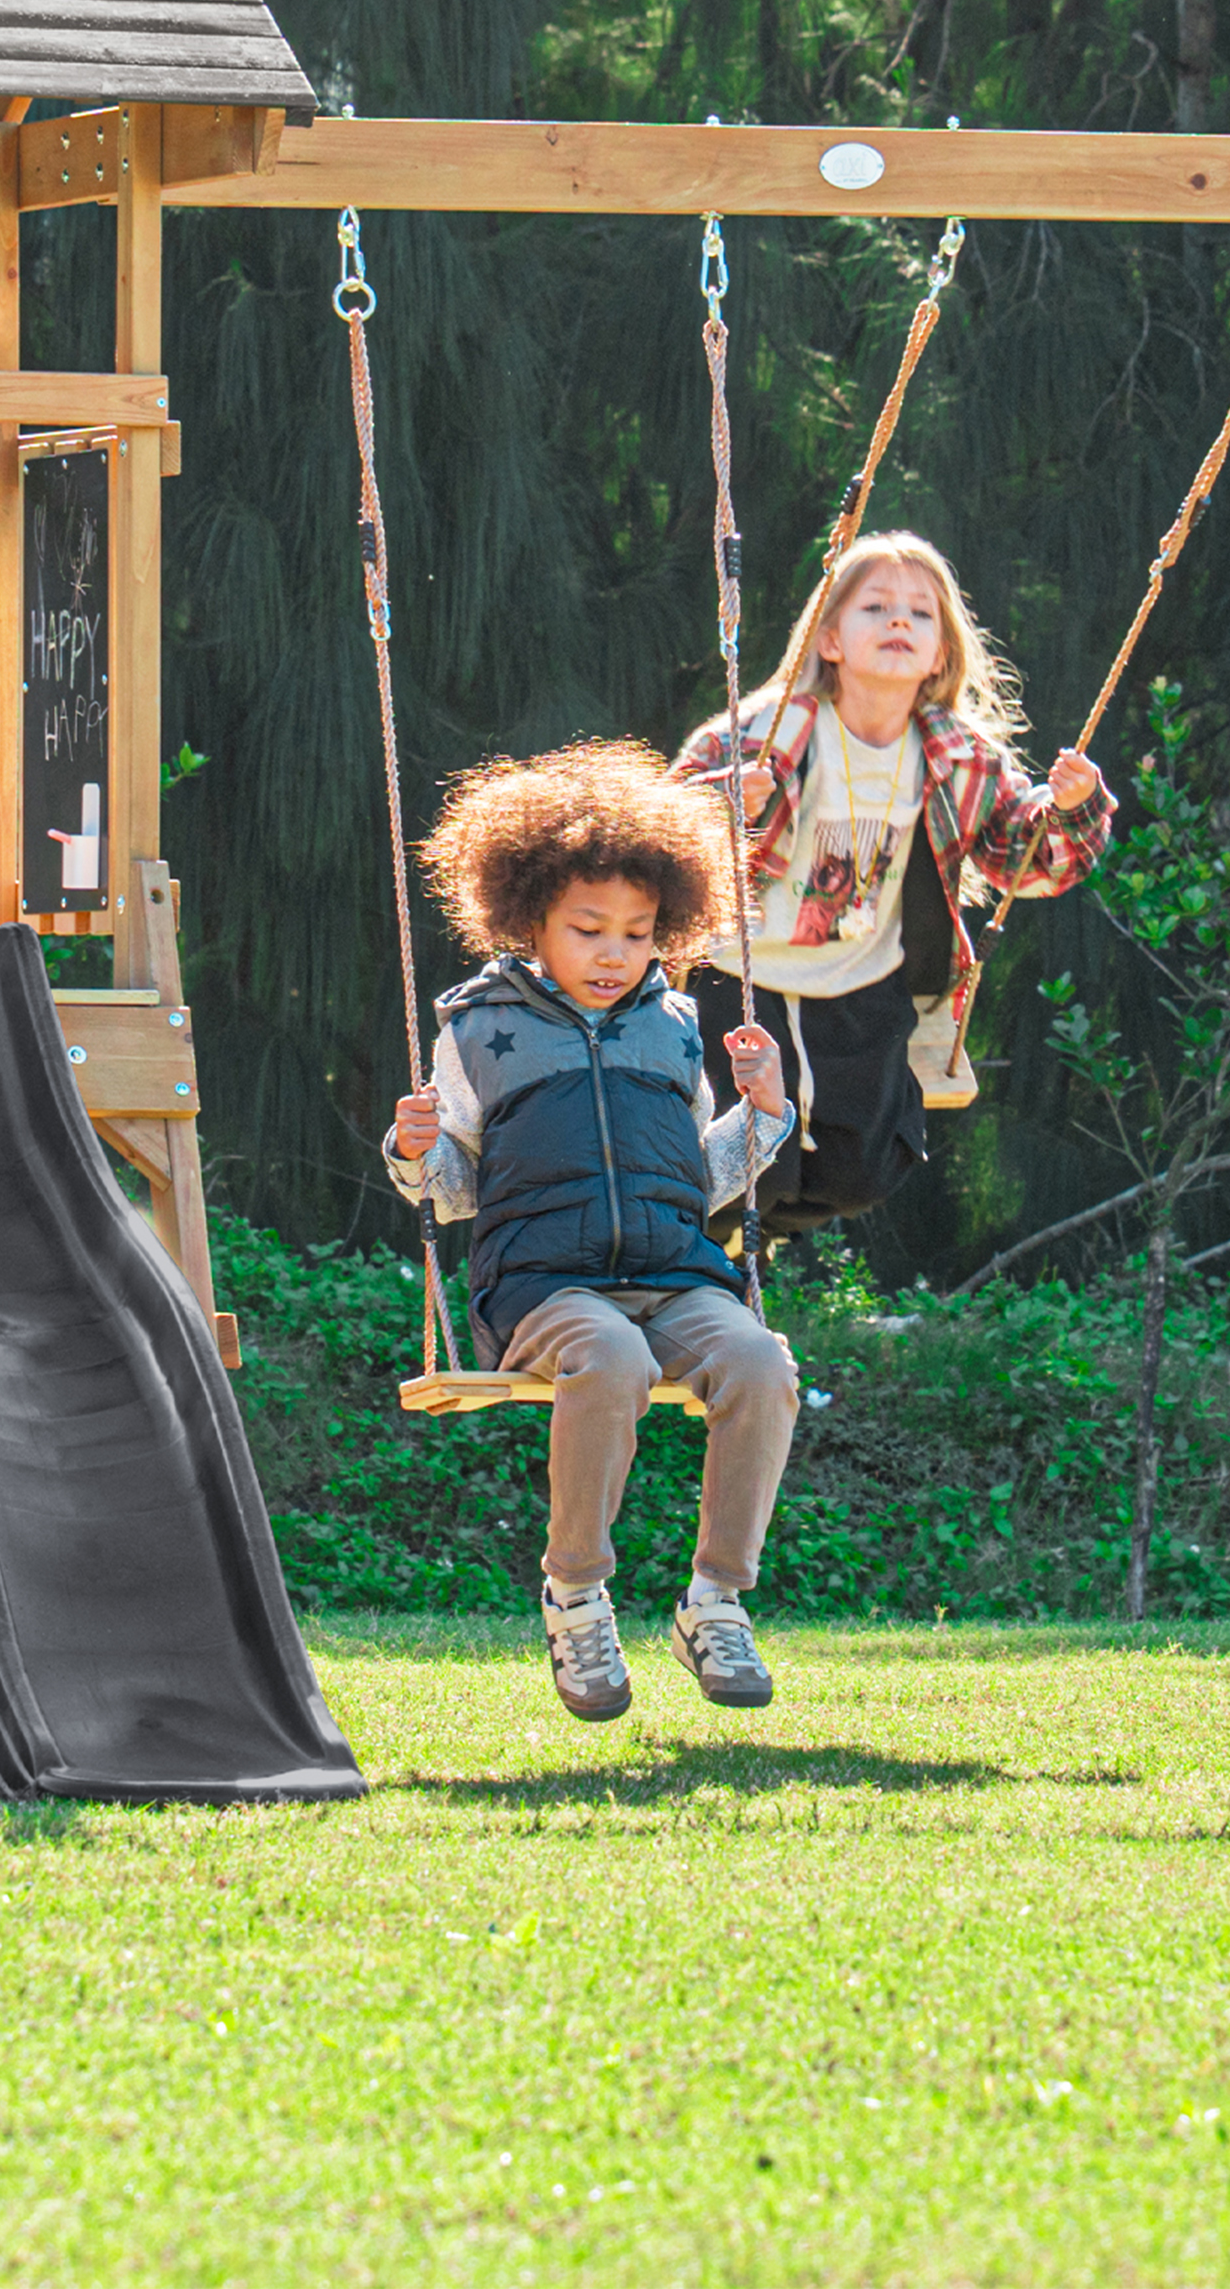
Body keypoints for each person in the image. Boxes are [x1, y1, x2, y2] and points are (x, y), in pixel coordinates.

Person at [386, 740, 799, 1723]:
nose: (615, 953)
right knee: (608, 1358)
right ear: (533, 920)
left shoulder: (674, 1025)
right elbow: (451, 1192)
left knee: (760, 1364)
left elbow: (697, 1179)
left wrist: (768, 1114)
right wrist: (415, 1149)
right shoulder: (479, 1026)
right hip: (546, 1286)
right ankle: (575, 1593)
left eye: (638, 932)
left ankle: (716, 1600)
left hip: (676, 1273)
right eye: (588, 929)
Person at [670, 529, 1113, 1237]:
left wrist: (1070, 808)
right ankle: (713, 1258)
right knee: (748, 1168)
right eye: (875, 607)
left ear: (940, 653)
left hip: (859, 983)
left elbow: (1022, 861)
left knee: (860, 1174)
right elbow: (660, 839)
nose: (899, 620)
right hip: (739, 976)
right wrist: (720, 802)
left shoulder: (959, 759)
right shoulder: (758, 736)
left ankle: (756, 1238)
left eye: (920, 613)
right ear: (831, 641)